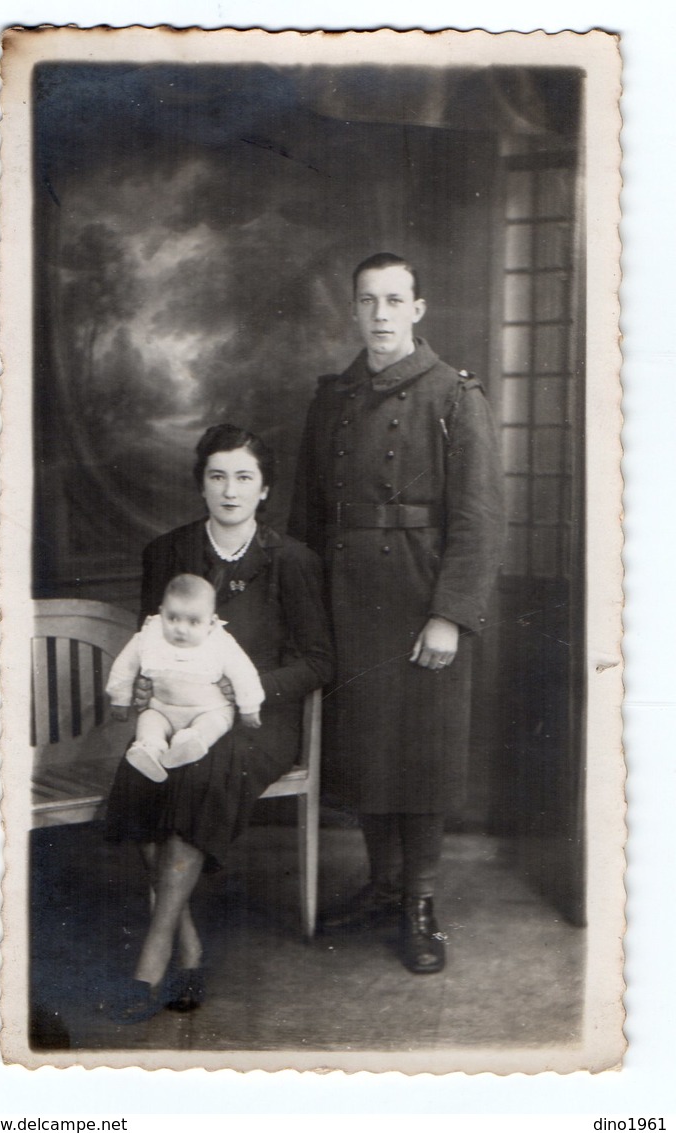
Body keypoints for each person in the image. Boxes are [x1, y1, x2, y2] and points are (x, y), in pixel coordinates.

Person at [288, 252, 504, 975]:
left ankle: (419, 900)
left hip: (421, 596)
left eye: (394, 300)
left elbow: (479, 520)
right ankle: (382, 886)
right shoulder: (332, 398)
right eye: (367, 301)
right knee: (370, 752)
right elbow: (306, 516)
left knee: (423, 753)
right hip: (349, 601)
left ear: (418, 309)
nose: (380, 314)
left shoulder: (453, 396)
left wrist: (450, 615)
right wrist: (309, 609)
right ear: (353, 310)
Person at [105, 424, 334, 1023]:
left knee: (200, 772)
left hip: (260, 723)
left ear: (264, 491)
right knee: (143, 775)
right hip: (176, 711)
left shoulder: (293, 561)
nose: (229, 490)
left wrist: (251, 688)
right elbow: (148, 638)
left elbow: (319, 660)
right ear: (200, 483)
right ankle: (189, 948)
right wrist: (148, 684)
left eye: (244, 478)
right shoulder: (168, 553)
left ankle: (153, 955)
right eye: (217, 475)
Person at [106, 573, 265, 784]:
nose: (181, 629)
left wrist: (250, 706)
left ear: (211, 622)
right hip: (162, 709)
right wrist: (120, 699)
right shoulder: (148, 638)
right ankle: (149, 751)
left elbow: (244, 673)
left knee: (215, 722)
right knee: (149, 720)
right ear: (161, 613)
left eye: (193, 621)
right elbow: (123, 668)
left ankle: (192, 743)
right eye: (172, 618)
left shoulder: (220, 643)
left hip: (208, 710)